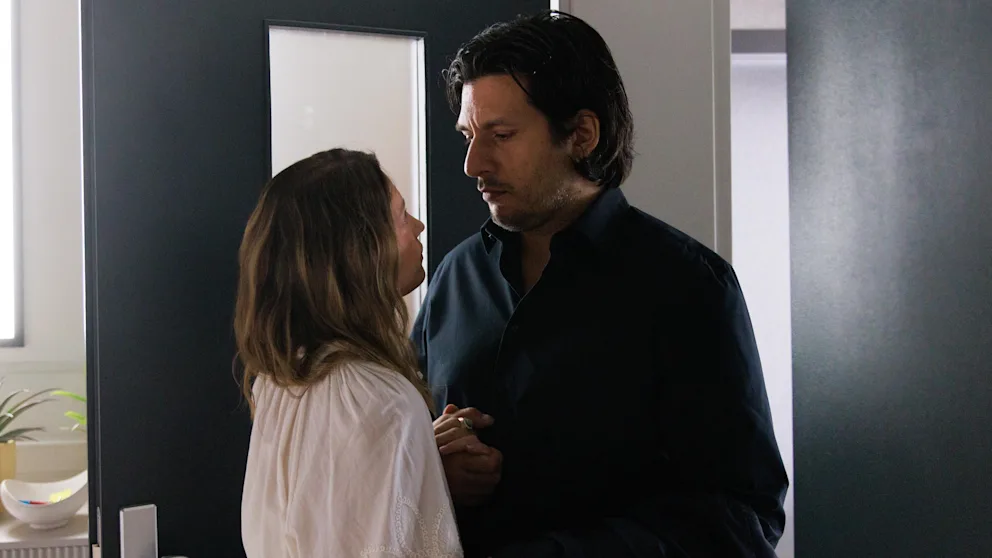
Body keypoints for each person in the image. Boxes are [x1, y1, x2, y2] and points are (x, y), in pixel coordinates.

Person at [413, 10, 789, 558]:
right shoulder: (454, 278)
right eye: (469, 136)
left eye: (501, 135)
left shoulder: (688, 287)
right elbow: (404, 455)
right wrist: (433, 467)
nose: (473, 164)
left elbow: (744, 516)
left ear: (582, 135)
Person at [237, 149, 462, 557]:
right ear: (360, 251)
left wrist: (421, 457)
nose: (419, 225)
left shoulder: (280, 383)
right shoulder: (381, 404)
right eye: (401, 216)